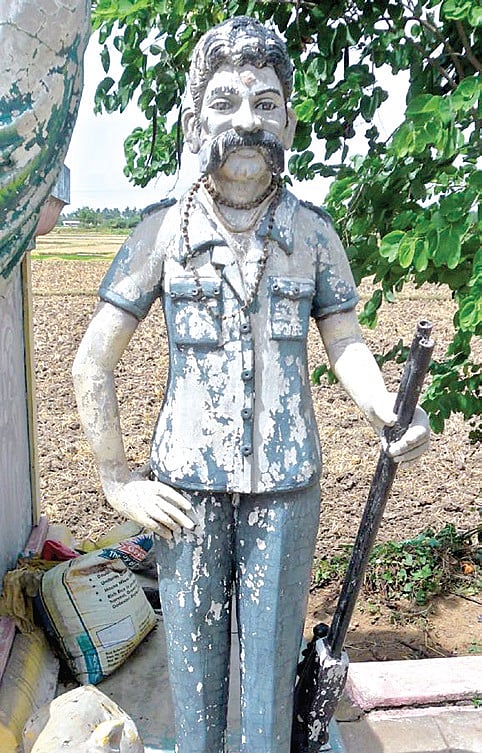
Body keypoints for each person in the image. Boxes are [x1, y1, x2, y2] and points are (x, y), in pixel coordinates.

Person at [72, 16, 429, 753]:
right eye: (225, 102)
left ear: (289, 123)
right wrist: (116, 479)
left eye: (266, 104)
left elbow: (345, 341)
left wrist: (385, 407)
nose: (247, 121)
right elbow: (92, 362)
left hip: (285, 488)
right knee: (194, 679)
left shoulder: (314, 235)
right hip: (185, 495)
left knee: (270, 680)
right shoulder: (161, 234)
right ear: (194, 120)